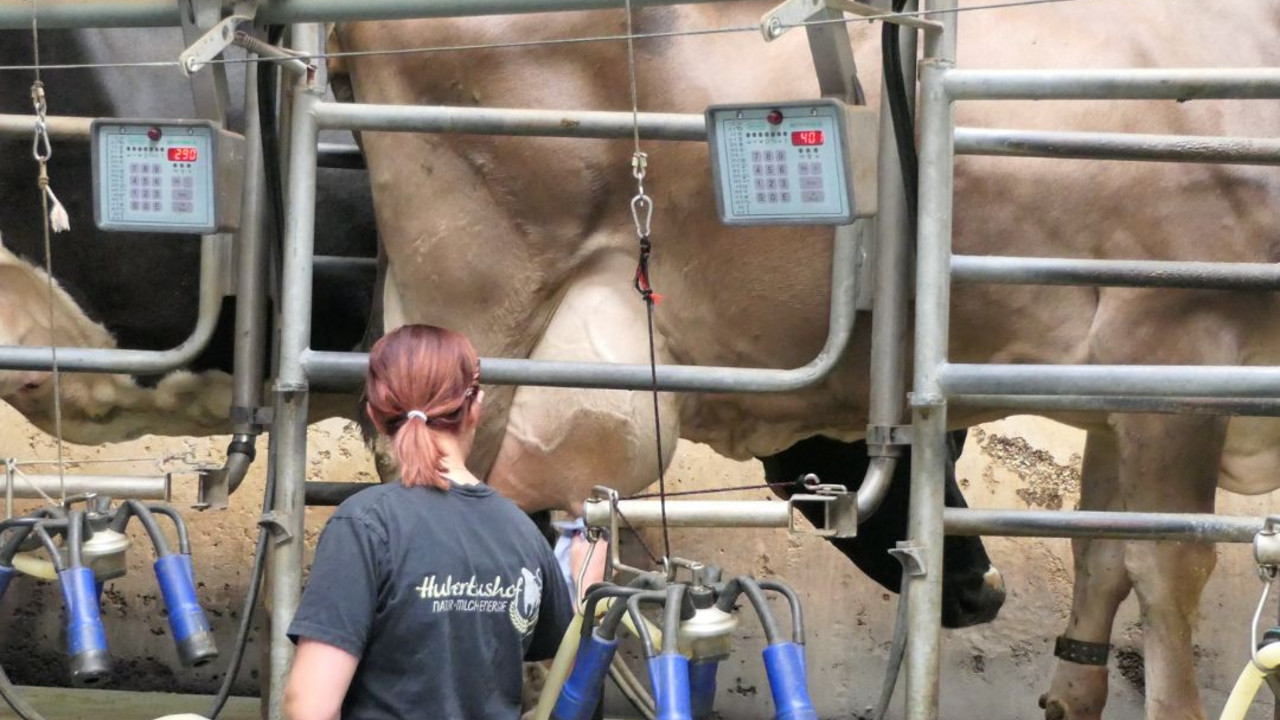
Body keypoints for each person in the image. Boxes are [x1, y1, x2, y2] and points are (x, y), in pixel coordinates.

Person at [284, 324, 574, 720]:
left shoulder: (366, 524)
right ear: (476, 408)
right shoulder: (522, 530)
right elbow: (571, 668)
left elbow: (310, 708)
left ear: (372, 412)